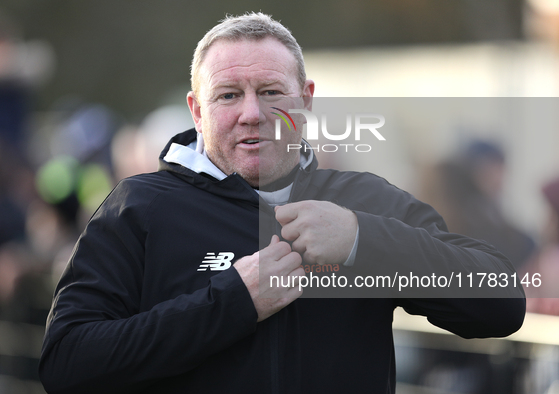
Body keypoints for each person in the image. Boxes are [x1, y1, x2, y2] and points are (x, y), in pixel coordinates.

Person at [39, 12, 525, 394]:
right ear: (197, 109)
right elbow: (66, 364)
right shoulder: (138, 207)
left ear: (306, 99)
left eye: (271, 92)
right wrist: (233, 301)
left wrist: (363, 241)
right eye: (228, 95)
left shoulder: (363, 199)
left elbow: (502, 304)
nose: (252, 114)